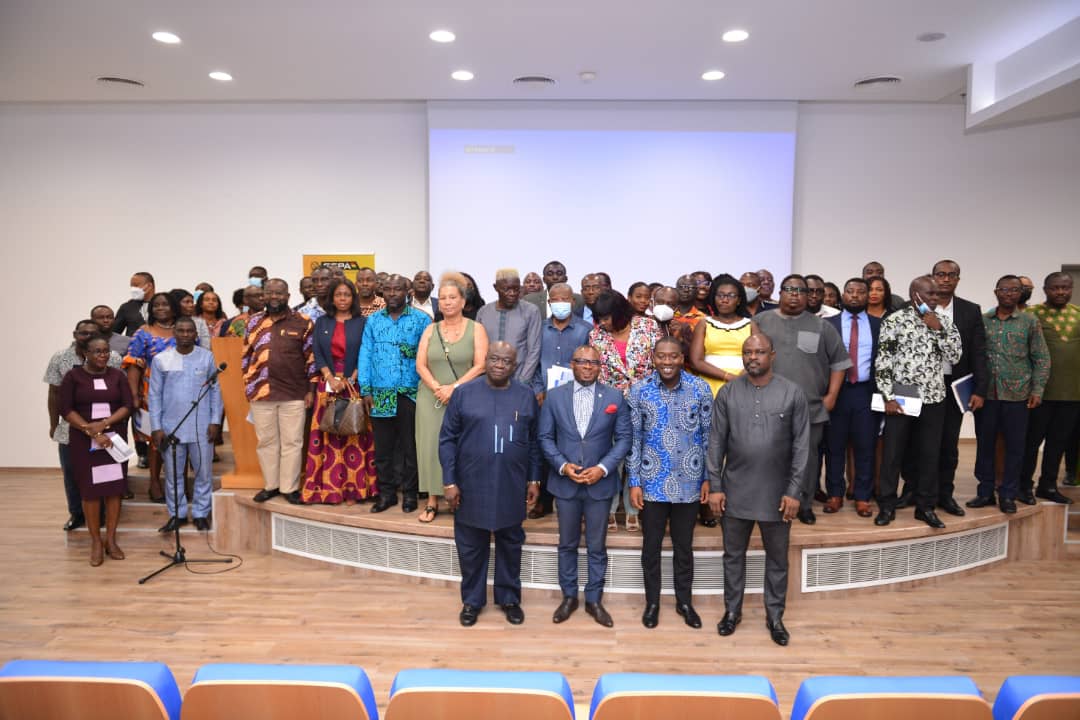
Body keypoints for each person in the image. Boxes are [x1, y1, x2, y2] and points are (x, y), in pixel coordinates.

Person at [707, 333, 808, 646]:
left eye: (760, 352)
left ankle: (775, 615)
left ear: (772, 355)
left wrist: (794, 491)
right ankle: (731, 611)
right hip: (735, 490)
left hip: (778, 494)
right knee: (732, 556)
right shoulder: (728, 392)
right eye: (748, 352)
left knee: (777, 558)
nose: (753, 357)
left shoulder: (792, 393)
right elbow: (715, 442)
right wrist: (716, 486)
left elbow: (802, 446)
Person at [439, 342, 542, 627]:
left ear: (515, 365)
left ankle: (509, 599)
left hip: (512, 483)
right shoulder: (463, 393)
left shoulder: (525, 395)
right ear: (484, 360)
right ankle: (472, 601)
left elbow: (534, 442)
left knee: (510, 544)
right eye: (494, 358)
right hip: (471, 483)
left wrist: (534, 478)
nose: (499, 364)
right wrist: (449, 480)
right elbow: (447, 439)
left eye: (506, 360)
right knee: (471, 546)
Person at [539, 345, 631, 627]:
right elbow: (544, 438)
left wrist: (602, 469)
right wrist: (563, 466)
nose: (587, 367)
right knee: (566, 544)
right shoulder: (554, 397)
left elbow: (625, 439)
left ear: (600, 366)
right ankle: (569, 597)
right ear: (572, 365)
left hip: (599, 485)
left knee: (596, 545)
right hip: (564, 483)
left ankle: (594, 599)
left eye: (593, 362)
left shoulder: (614, 397)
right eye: (581, 362)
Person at [627, 337, 713, 630]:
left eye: (673, 357)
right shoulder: (639, 390)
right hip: (651, 483)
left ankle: (684, 603)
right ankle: (652, 603)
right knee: (650, 547)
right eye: (661, 357)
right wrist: (635, 481)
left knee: (683, 547)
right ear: (653, 358)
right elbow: (634, 439)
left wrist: (707, 479)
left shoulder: (700, 388)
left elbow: (707, 437)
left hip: (689, 482)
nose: (667, 362)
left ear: (681, 358)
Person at [753, 275, 850, 525]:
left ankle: (804, 504)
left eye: (800, 290)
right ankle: (768, 502)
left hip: (811, 406)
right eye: (789, 289)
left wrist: (831, 396)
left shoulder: (822, 327)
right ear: (780, 293)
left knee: (807, 459)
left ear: (809, 296)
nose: (794, 294)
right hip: (767, 405)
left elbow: (840, 363)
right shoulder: (760, 321)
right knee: (768, 456)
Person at [899, 260, 988, 516]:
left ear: (958, 279)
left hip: (952, 386)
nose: (946, 279)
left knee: (947, 443)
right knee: (912, 440)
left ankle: (945, 494)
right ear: (933, 277)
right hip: (913, 384)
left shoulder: (970, 311)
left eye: (952, 275)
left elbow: (978, 353)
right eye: (941, 274)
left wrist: (980, 389)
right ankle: (911, 490)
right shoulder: (909, 308)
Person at [874, 275, 962, 528]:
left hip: (934, 398)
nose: (936, 298)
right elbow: (883, 361)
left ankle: (925, 507)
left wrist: (939, 330)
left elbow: (955, 356)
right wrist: (888, 397)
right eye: (930, 293)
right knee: (893, 455)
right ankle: (887, 506)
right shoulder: (895, 320)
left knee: (929, 455)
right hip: (902, 395)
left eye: (937, 294)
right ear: (915, 294)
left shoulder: (944, 320)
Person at [967, 275, 1050, 514]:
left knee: (1015, 448)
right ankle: (984, 492)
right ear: (996, 292)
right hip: (986, 396)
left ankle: (1008, 495)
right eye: (1005, 290)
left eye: (1015, 290)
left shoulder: (1029, 322)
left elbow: (1042, 358)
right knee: (985, 446)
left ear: (1020, 294)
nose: (1010, 294)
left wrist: (1037, 389)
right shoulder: (983, 321)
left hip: (1018, 396)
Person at [414, 272, 488, 522]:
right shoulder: (430, 329)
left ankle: (458, 497)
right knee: (430, 446)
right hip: (430, 397)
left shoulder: (476, 329)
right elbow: (420, 365)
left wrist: (453, 388)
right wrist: (437, 387)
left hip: (464, 396)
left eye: (452, 297)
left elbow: (480, 365)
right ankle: (432, 500)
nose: (447, 302)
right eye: (443, 298)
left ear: (463, 301)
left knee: (462, 447)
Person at [589, 290, 662, 532]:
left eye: (607, 317)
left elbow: (660, 362)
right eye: (599, 318)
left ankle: (633, 510)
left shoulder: (648, 327)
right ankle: (610, 509)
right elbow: (597, 372)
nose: (603, 323)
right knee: (612, 457)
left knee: (640, 456)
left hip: (647, 400)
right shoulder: (596, 335)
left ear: (620, 312)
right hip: (612, 405)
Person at [358, 274, 431, 513]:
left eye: (397, 289)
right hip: (380, 393)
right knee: (383, 449)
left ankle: (410, 495)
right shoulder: (373, 321)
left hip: (410, 392)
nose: (391, 293)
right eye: (387, 289)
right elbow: (365, 354)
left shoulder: (421, 320)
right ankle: (387, 495)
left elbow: (428, 356)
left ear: (407, 292)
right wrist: (365, 388)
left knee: (410, 448)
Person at [59, 336, 134, 566]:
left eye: (105, 351)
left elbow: (127, 405)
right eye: (97, 352)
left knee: (113, 489)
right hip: (84, 441)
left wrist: (104, 425)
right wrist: (90, 430)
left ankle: (111, 540)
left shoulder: (117, 375)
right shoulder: (73, 377)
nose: (102, 355)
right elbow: (65, 409)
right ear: (85, 354)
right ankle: (95, 541)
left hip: (112, 440)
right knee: (90, 492)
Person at [303, 278, 377, 505]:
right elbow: (317, 351)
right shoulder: (322, 322)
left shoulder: (362, 322)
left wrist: (350, 379)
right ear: (331, 298)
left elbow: (366, 353)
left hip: (352, 386)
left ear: (353, 298)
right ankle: (327, 488)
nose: (343, 299)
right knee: (326, 436)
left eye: (347, 295)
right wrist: (328, 377)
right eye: (338, 295)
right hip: (328, 388)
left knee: (353, 436)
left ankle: (354, 490)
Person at [243, 279, 316, 505]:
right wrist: (249, 383)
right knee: (266, 442)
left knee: (292, 442)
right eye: (270, 293)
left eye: (279, 293)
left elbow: (311, 359)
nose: (274, 297)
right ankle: (271, 485)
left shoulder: (303, 322)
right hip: (261, 393)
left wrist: (311, 390)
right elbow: (246, 356)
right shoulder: (253, 322)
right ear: (263, 296)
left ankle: (290, 487)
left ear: (288, 295)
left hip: (294, 393)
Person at [46, 320, 123, 530]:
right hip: (72, 429)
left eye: (93, 333)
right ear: (75, 334)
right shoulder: (61, 358)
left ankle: (103, 517)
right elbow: (54, 395)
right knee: (73, 474)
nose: (88, 336)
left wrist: (106, 425)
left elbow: (119, 392)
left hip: (107, 430)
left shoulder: (113, 358)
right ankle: (77, 514)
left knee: (106, 475)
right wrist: (53, 424)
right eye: (83, 333)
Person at [148, 316, 223, 532]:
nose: (185, 335)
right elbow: (154, 395)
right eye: (180, 331)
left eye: (189, 331)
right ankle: (177, 514)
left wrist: (215, 421)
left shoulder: (207, 358)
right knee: (173, 474)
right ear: (174, 333)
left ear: (195, 334)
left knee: (203, 472)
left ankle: (201, 513)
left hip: (202, 427)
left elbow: (216, 391)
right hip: (172, 426)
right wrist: (156, 426)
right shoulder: (161, 359)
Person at [530, 282, 592, 518]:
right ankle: (543, 501)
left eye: (564, 299)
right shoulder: (539, 328)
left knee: (572, 446)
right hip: (544, 398)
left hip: (575, 397)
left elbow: (589, 365)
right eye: (555, 300)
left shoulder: (585, 330)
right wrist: (538, 389)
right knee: (544, 444)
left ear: (573, 302)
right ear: (549, 303)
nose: (560, 303)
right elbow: (533, 363)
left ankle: (575, 503)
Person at [823, 278, 880, 517]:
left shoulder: (880, 324)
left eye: (860, 292)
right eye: (850, 291)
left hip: (866, 392)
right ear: (842, 295)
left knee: (865, 446)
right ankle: (835, 493)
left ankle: (862, 496)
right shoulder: (828, 323)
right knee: (834, 445)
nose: (855, 295)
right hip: (837, 391)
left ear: (868, 296)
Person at [1022, 272, 1079, 503]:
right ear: (1045, 289)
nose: (1061, 292)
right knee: (1031, 441)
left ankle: (1048, 485)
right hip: (1039, 393)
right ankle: (1024, 485)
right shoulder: (1031, 314)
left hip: (1072, 393)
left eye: (1066, 288)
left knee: (1058, 442)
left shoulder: (1078, 315)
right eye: (1055, 288)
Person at [124, 291, 181, 502]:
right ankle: (154, 482)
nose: (160, 308)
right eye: (156, 305)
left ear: (173, 307)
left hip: (181, 394)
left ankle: (177, 483)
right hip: (151, 393)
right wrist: (134, 395)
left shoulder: (183, 329)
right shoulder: (143, 332)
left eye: (165, 304)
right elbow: (133, 364)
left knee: (180, 439)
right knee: (155, 440)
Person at [688, 274, 755, 397]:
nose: (725, 300)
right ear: (714, 298)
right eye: (720, 295)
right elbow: (695, 361)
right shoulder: (704, 323)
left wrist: (740, 378)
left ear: (739, 300)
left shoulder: (751, 325)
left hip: (744, 384)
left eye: (731, 296)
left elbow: (758, 357)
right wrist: (728, 377)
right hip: (709, 385)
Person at [476, 269, 542, 386]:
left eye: (516, 289)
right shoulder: (484, 312)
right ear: (496, 287)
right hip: (487, 382)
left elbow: (534, 350)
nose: (512, 293)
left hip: (519, 380)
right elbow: (478, 350)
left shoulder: (531, 311)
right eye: (506, 289)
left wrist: (523, 381)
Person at [113, 271, 155, 336]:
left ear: (149, 286)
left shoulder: (162, 306)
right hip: (134, 344)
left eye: (136, 285)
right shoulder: (127, 307)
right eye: (131, 286)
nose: (133, 289)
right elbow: (114, 333)